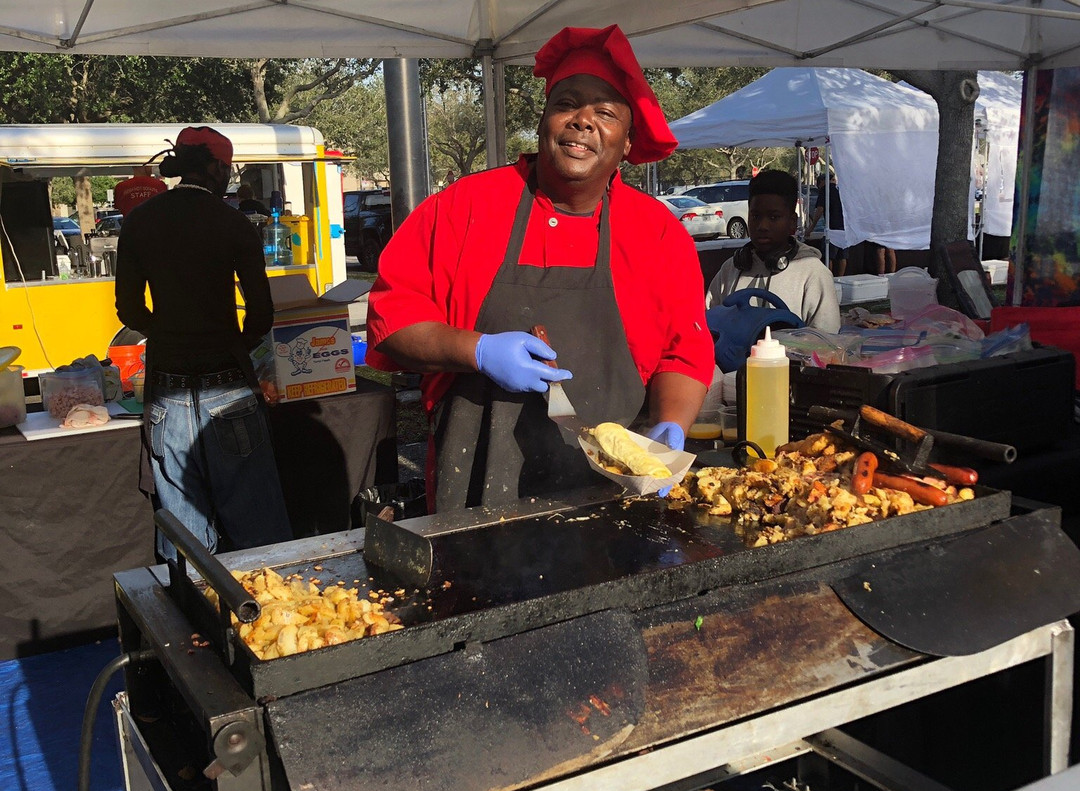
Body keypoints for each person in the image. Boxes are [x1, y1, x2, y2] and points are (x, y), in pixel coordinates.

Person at [366, 24, 714, 513]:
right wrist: (479, 350)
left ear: (628, 141)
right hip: (473, 490)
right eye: (567, 103)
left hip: (614, 494)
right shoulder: (466, 207)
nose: (582, 121)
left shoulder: (656, 232)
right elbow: (391, 322)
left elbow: (684, 350)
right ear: (544, 119)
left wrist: (671, 426)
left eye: (605, 113)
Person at [114, 126, 293, 562]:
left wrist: (166, 334)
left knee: (185, 533)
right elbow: (262, 315)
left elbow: (129, 310)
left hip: (166, 387)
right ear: (215, 167)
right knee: (258, 533)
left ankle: (194, 623)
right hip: (227, 383)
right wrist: (232, 342)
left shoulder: (140, 221)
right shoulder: (233, 224)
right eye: (228, 168)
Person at [705, 170, 841, 405]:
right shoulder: (731, 269)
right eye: (755, 216)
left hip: (789, 399)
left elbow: (827, 351)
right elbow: (706, 325)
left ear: (792, 223)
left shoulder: (813, 273)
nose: (762, 226)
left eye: (774, 217)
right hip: (730, 398)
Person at [807, 172, 846, 276]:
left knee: (828, 256)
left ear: (822, 182)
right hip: (845, 227)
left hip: (832, 228)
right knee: (842, 256)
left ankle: (828, 277)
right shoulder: (842, 189)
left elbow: (820, 209)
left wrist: (811, 228)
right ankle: (841, 278)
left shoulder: (825, 189)